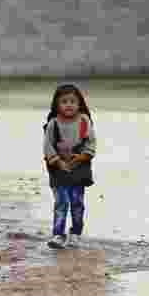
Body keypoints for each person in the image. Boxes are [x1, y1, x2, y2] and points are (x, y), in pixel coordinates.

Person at [43, 83, 97, 249]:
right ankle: (58, 234)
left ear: (79, 103)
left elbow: (91, 143)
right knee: (61, 202)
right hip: (58, 169)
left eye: (73, 101)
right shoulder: (53, 124)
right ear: (57, 104)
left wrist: (79, 158)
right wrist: (59, 162)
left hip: (78, 168)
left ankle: (75, 234)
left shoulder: (84, 121)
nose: (69, 105)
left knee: (76, 202)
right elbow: (47, 146)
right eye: (64, 101)